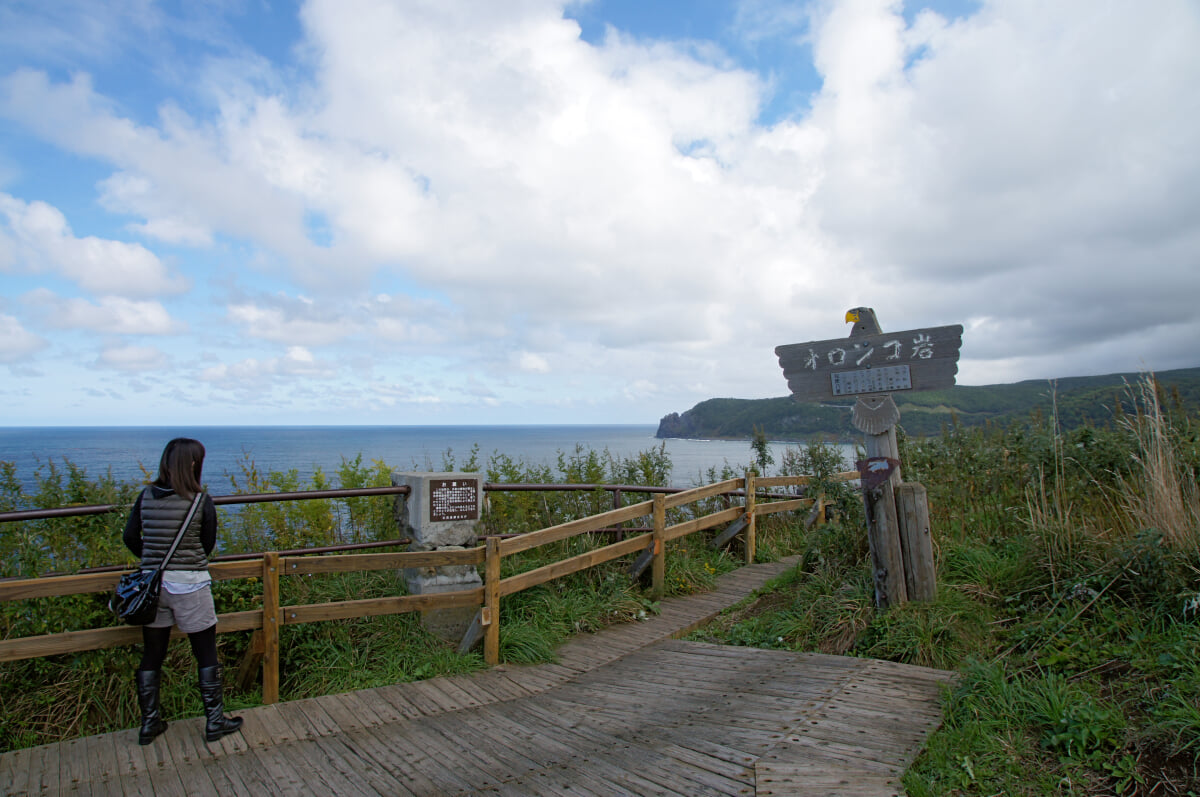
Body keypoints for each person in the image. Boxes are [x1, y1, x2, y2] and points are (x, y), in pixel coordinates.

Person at [122, 437, 243, 745]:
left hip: (153, 586)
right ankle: (214, 721)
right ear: (192, 464)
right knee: (205, 654)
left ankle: (149, 724)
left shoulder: (146, 495)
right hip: (190, 583)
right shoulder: (200, 500)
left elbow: (130, 537)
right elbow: (208, 543)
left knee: (153, 654)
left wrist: (151, 561)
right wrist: (185, 560)